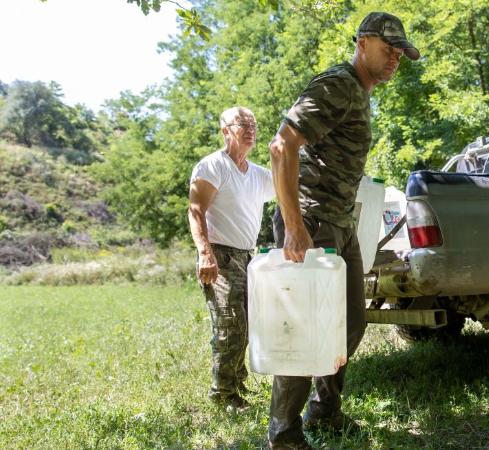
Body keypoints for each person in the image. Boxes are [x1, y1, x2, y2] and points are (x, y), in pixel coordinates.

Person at [266, 12, 420, 449]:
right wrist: (295, 227)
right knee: (306, 328)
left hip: (340, 222)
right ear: (363, 42)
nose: (395, 59)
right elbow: (282, 147)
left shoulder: (359, 92)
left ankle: (326, 412)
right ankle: (284, 433)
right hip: (311, 223)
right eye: (388, 50)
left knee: (349, 323)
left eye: (400, 55)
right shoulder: (337, 84)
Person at [188, 106, 275, 412]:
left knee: (249, 324)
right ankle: (222, 394)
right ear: (226, 130)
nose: (250, 128)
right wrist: (205, 254)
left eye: (253, 123)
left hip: (247, 258)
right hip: (219, 255)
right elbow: (195, 211)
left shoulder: (257, 174)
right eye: (243, 123)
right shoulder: (212, 166)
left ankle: (236, 383)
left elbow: (291, 187)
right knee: (230, 325)